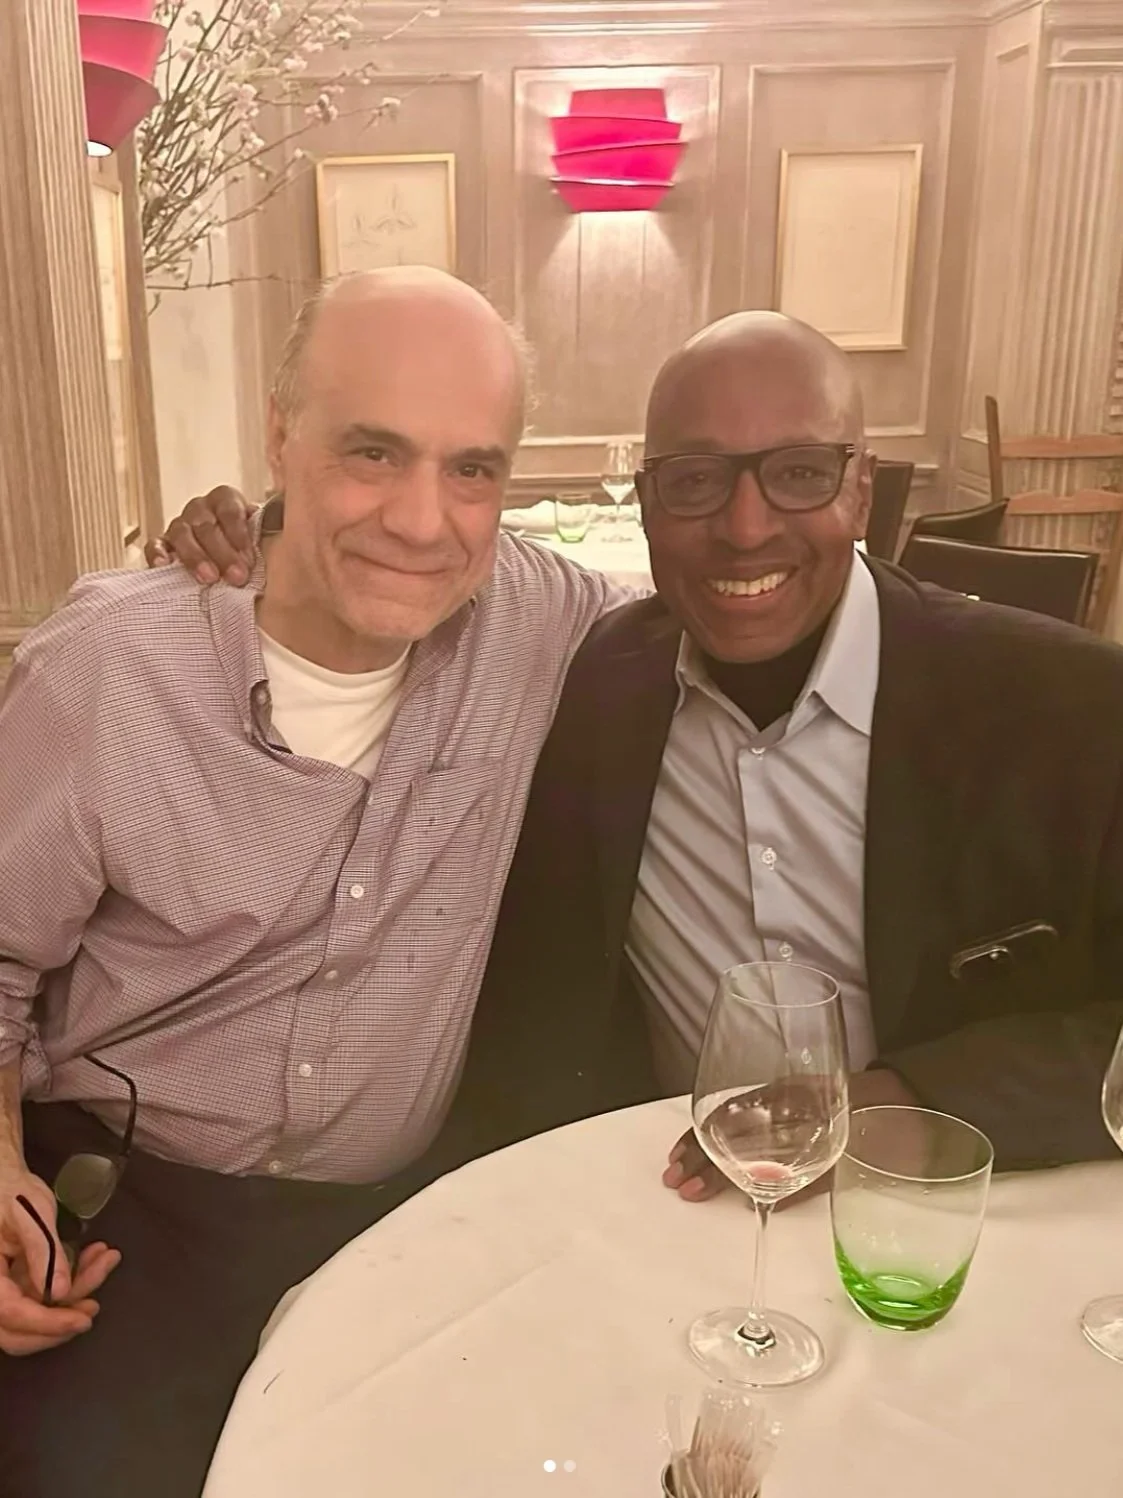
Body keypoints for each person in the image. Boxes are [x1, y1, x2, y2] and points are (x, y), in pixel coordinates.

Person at [161, 312, 1123, 1199]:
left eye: (797, 474)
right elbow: (414, 562)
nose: (744, 529)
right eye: (694, 482)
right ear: (646, 503)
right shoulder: (595, 675)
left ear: (859, 490)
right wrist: (275, 528)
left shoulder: (1066, 706)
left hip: (984, 1207)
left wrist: (894, 1103)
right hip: (669, 1202)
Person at [0, 267, 634, 1498]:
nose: (422, 521)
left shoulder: (541, 622)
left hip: (401, 1224)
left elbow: (729, 602)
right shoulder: (111, 669)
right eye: (372, 452)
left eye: (472, 469)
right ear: (279, 433)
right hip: (128, 1211)